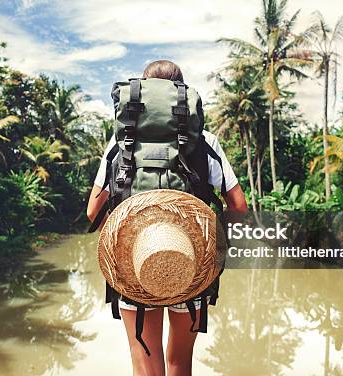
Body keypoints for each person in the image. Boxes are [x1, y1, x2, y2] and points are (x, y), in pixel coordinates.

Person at [87, 60, 247, 376]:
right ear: (181, 96)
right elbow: (239, 206)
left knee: (144, 361)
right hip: (191, 263)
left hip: (133, 263)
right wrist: (207, 232)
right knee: (179, 362)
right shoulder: (205, 140)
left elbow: (93, 211)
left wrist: (125, 234)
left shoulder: (121, 142)